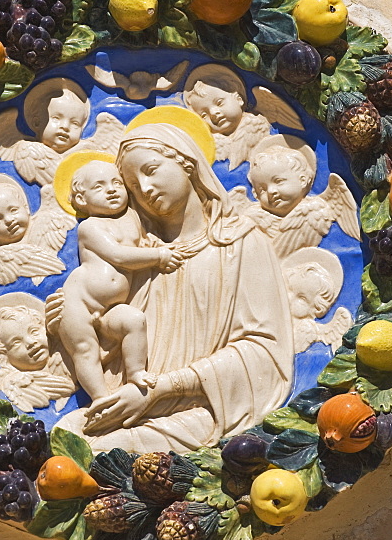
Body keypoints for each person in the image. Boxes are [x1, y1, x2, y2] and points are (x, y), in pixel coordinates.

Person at [53, 119, 294, 452]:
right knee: (67, 434)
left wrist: (161, 389)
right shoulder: (145, 257)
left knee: (102, 450)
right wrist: (70, 318)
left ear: (186, 161)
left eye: (151, 170)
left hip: (204, 409)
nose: (145, 189)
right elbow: (111, 347)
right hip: (136, 406)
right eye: (133, 187)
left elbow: (265, 354)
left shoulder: (240, 244)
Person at [59, 159, 184, 401]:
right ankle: (100, 398)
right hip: (79, 303)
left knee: (134, 320)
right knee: (85, 351)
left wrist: (154, 244)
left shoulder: (133, 218)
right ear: (82, 200)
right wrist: (157, 256)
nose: (111, 189)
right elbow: (119, 255)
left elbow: (143, 241)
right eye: (99, 186)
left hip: (111, 308)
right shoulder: (90, 227)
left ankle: (136, 372)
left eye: (117, 182)